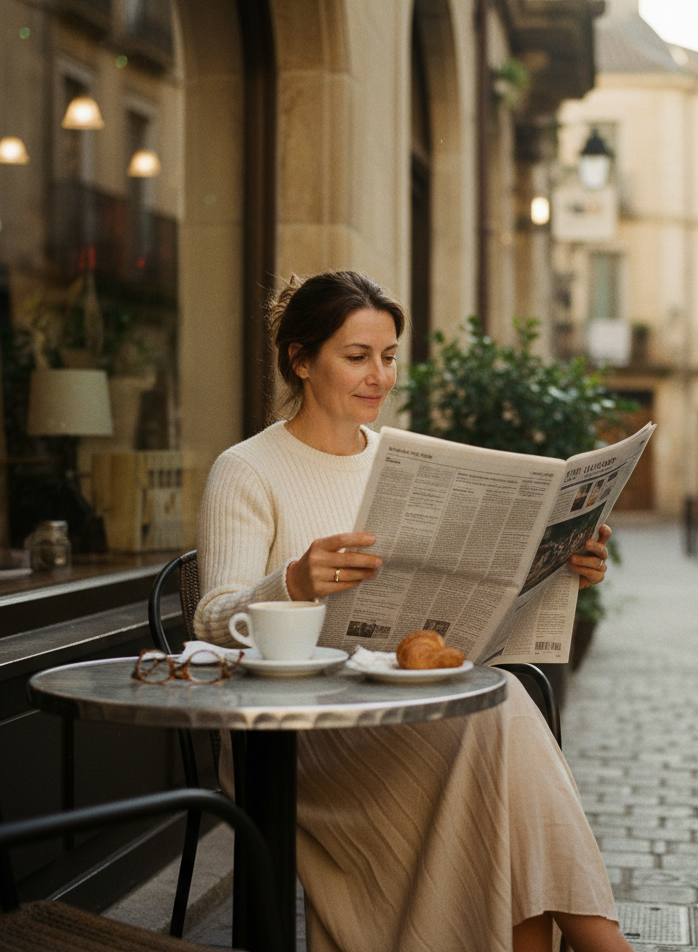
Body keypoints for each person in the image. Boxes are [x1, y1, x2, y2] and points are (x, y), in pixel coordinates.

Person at [195, 270, 635, 952]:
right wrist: (294, 580)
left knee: (500, 710)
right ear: (301, 359)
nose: (380, 376)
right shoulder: (247, 469)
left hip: (407, 705)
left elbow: (467, 615)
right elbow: (212, 619)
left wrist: (563, 568)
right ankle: (606, 944)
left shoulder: (403, 463)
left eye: (390, 355)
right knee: (502, 721)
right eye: (357, 356)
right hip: (297, 737)